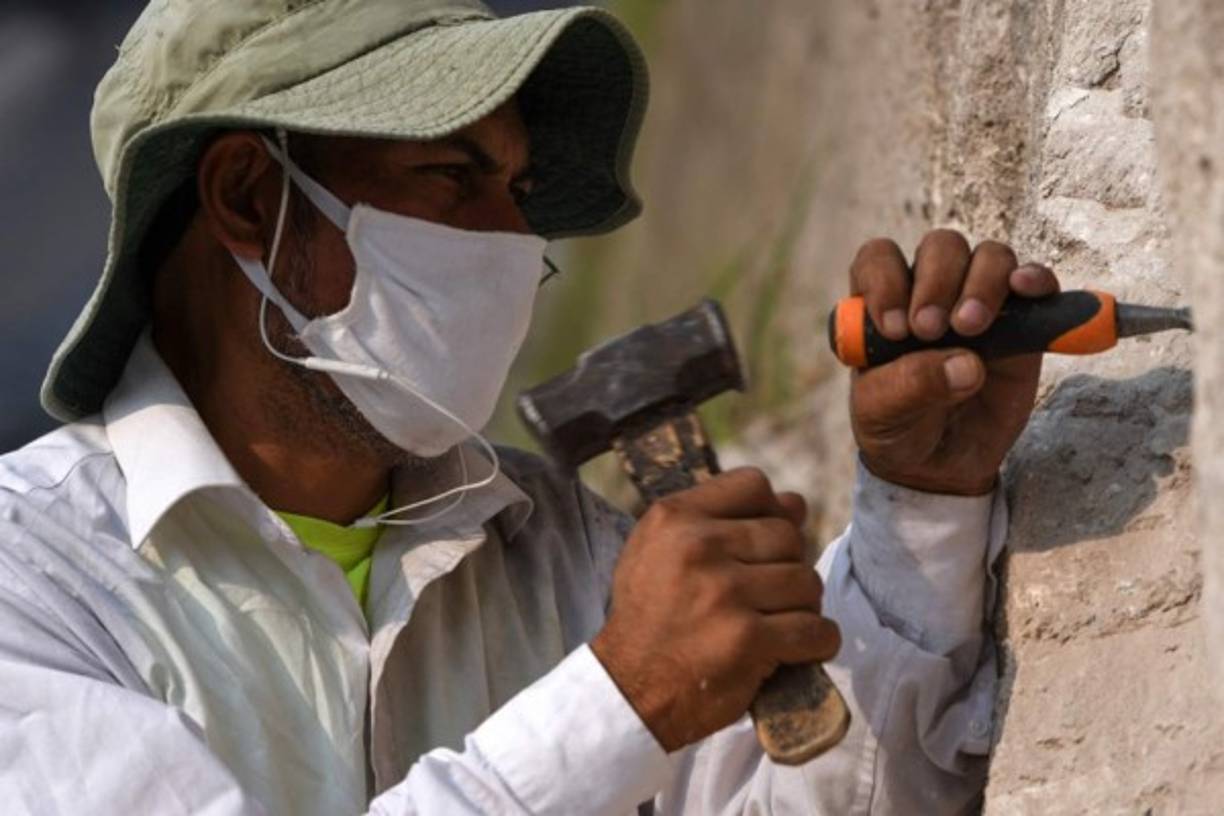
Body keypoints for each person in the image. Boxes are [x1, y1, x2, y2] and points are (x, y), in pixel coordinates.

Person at [0, 1, 1059, 813]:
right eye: (453, 174)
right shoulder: (32, 587)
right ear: (247, 197)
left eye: (517, 191)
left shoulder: (564, 552)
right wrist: (620, 703)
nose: (515, 241)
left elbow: (843, 795)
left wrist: (921, 505)